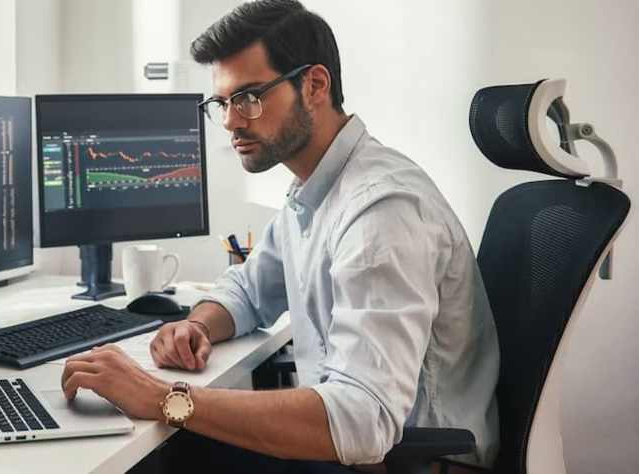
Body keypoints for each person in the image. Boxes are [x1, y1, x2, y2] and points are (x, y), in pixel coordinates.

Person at [59, 1, 500, 472]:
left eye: (248, 97)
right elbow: (248, 290)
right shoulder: (311, 193)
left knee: (154, 457)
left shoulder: (381, 213)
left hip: (403, 464)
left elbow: (362, 422)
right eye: (222, 103)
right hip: (357, 451)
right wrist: (198, 326)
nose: (229, 121)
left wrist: (167, 398)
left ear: (314, 85)